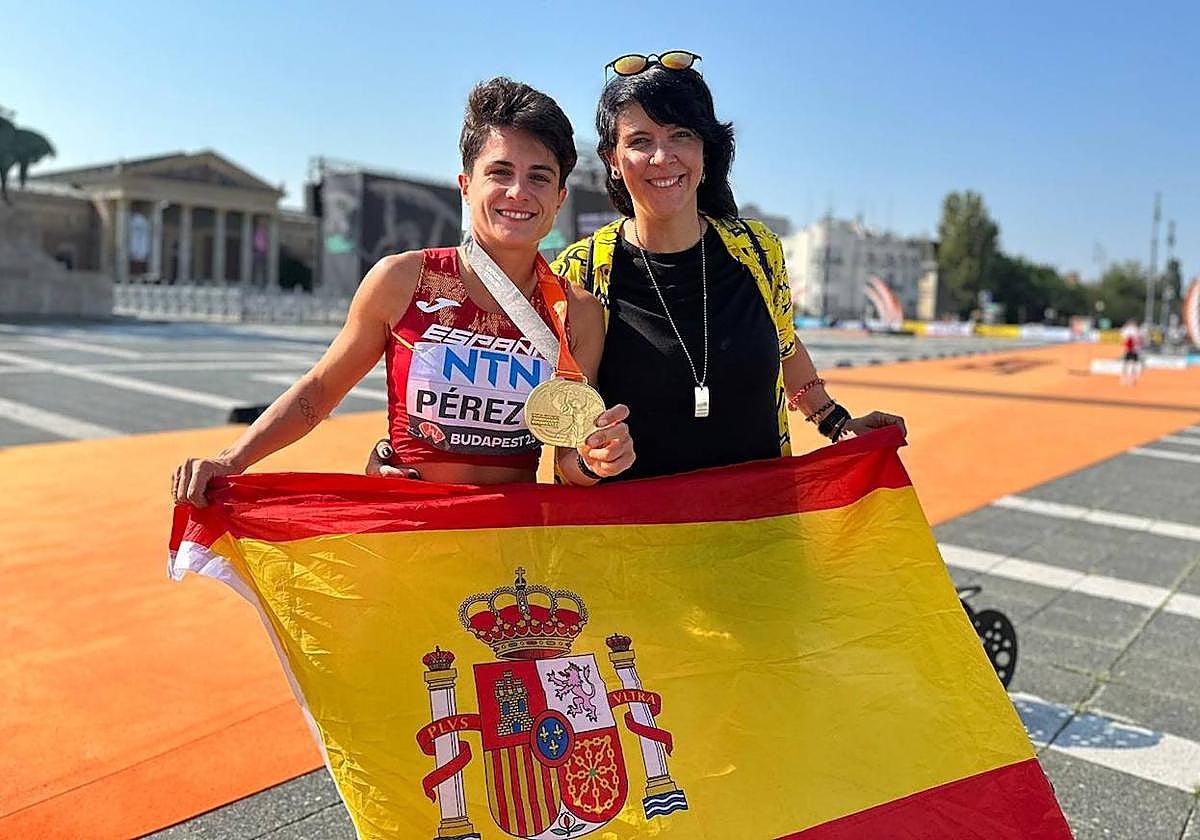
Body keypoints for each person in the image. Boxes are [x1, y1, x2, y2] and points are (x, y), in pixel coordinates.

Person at [370, 53, 904, 482]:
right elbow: (539, 411)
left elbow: (785, 347)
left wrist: (837, 424)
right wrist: (414, 459)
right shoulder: (581, 271)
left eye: (682, 136)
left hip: (762, 527)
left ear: (707, 151)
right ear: (613, 160)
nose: (662, 157)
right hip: (633, 545)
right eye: (640, 141)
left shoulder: (756, 250)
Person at [173, 78, 635, 507]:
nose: (518, 191)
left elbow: (568, 462)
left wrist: (595, 462)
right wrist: (231, 460)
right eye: (500, 172)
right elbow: (318, 392)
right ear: (466, 186)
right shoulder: (402, 280)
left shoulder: (578, 312)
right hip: (409, 534)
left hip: (509, 541)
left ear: (559, 198)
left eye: (539, 176)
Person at [1120, 318, 1143, 385]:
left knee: (1127, 363)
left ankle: (1125, 378)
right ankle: (1130, 379)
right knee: (1132, 364)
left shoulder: (1127, 329)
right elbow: (1139, 339)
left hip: (1129, 349)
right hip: (1134, 349)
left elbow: (1123, 337)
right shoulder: (1136, 330)